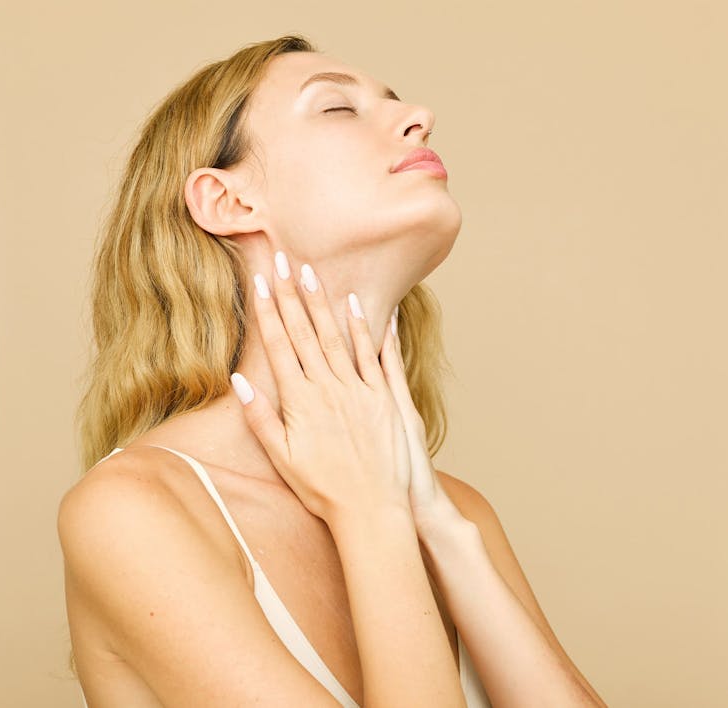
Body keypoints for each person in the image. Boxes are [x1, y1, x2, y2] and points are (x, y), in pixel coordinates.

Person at [58, 34, 606, 707]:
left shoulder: (459, 512)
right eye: (337, 109)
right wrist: (371, 515)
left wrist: (436, 526)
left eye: (398, 103)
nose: (420, 117)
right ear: (227, 201)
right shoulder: (134, 512)